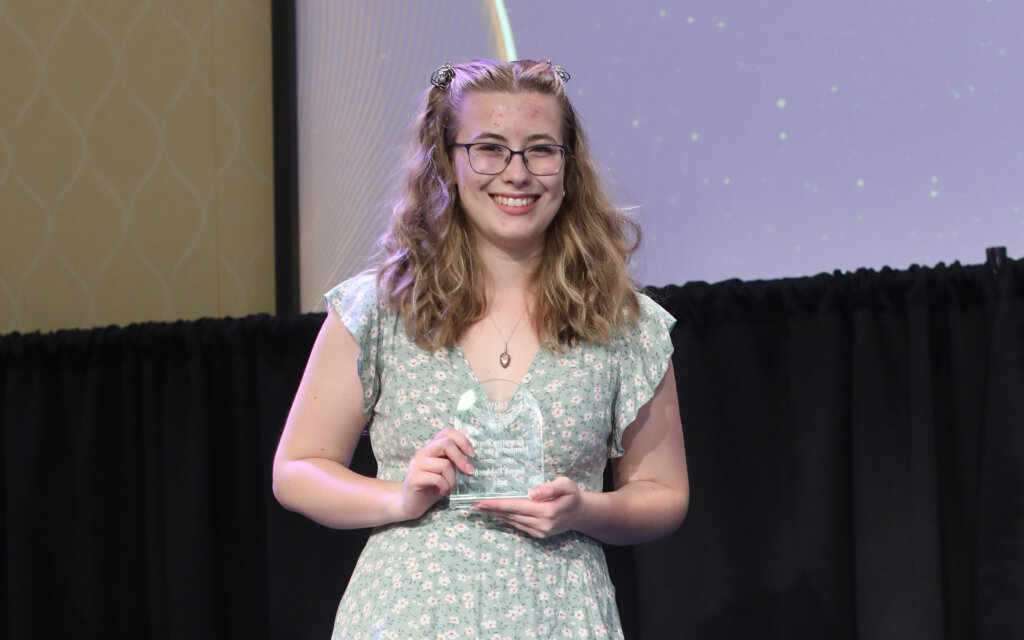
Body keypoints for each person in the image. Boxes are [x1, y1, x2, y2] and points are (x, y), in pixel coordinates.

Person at [273, 59, 689, 639]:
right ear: (447, 161)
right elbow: (297, 469)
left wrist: (583, 510)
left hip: (559, 618)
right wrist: (400, 497)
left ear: (569, 167)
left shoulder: (624, 324)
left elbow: (664, 493)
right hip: (408, 618)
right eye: (488, 148)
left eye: (541, 149)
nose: (516, 173)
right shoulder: (380, 309)